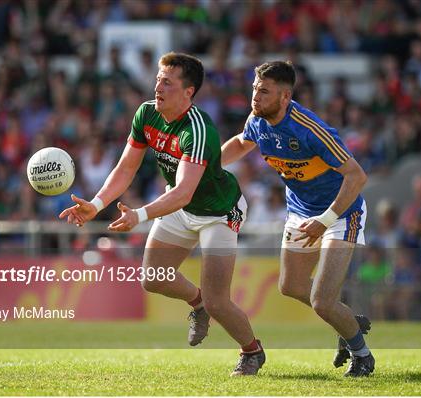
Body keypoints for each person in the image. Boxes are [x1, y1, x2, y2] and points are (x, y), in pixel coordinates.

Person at [59, 52, 265, 376]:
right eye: (158, 79)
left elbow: (183, 192)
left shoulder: (198, 130)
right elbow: (127, 167)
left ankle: (251, 351)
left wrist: (139, 216)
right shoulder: (146, 114)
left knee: (218, 301)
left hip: (219, 212)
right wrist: (97, 205)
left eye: (167, 83)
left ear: (188, 92)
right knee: (152, 278)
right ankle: (197, 304)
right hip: (179, 206)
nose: (158, 87)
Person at [221, 61, 374, 377]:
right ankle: (345, 319)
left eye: (264, 91)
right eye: (254, 89)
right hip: (301, 212)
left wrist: (326, 218)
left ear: (285, 96)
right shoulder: (258, 120)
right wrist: (203, 167)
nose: (256, 97)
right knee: (290, 286)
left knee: (321, 301)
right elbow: (240, 143)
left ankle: (362, 355)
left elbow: (357, 176)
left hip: (341, 213)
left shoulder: (309, 128)